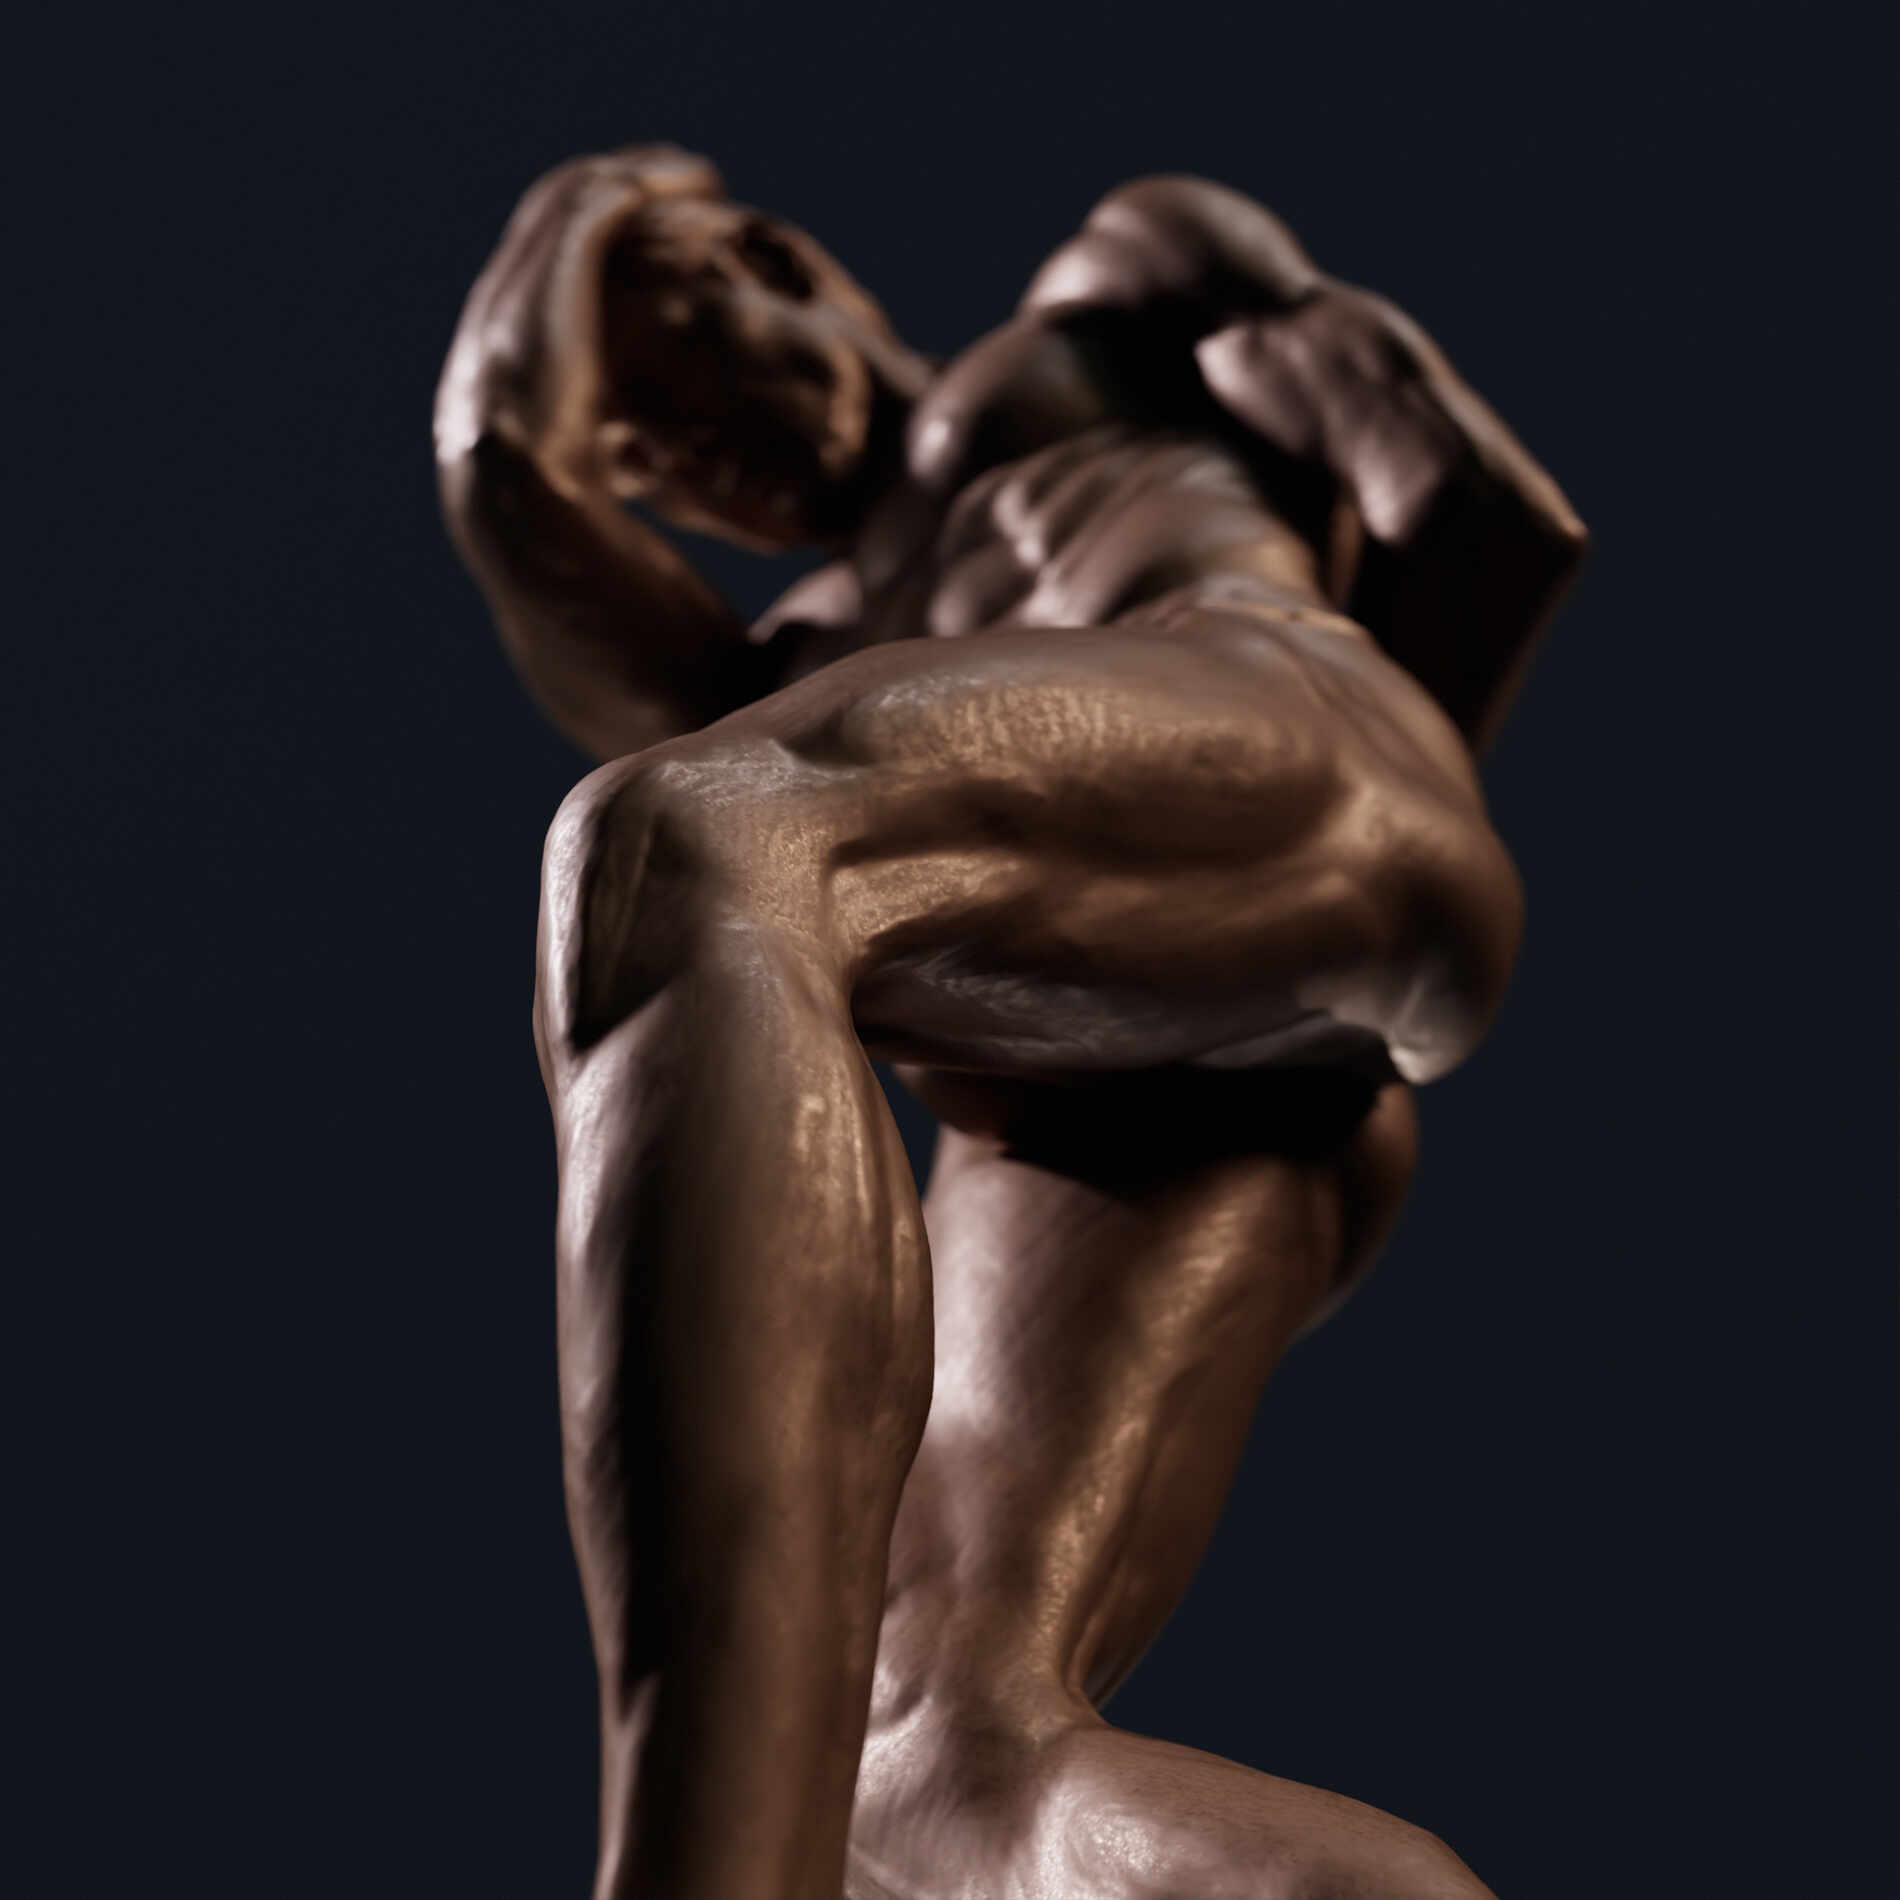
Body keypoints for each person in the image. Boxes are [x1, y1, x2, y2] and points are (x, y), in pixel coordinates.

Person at [434, 144, 1584, 1900]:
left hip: (1283, 734)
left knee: (681, 839)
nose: (692, 457)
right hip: (1090, 1096)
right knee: (913, 1748)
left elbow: (1482, 510)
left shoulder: (1106, 304)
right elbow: (502, 472)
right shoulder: (791, 659)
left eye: (688, 370)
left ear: (777, 262)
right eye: (652, 453)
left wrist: (1318, 879)